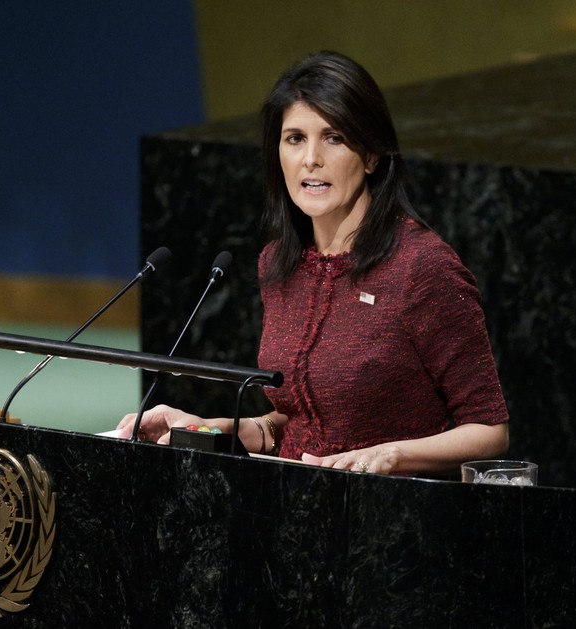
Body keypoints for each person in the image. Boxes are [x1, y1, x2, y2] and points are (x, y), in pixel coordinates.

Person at [117, 50, 509, 476]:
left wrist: (392, 454)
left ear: (372, 155)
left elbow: (489, 429)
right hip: (297, 512)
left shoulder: (422, 267)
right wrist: (208, 427)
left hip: (392, 515)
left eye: (334, 137)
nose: (311, 159)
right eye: (295, 138)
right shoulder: (279, 264)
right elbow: (298, 418)